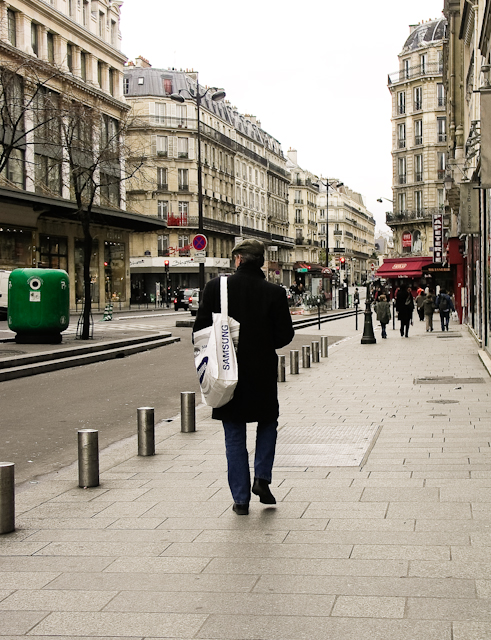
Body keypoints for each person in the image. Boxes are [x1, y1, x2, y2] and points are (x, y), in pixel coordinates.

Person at [193, 239, 294, 515]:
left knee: (234, 431)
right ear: (260, 261)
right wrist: (261, 341)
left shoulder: (216, 288)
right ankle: (262, 478)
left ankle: (240, 499)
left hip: (228, 372)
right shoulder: (274, 292)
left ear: (238, 259)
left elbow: (200, 330)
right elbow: (285, 336)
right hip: (261, 371)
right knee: (268, 421)